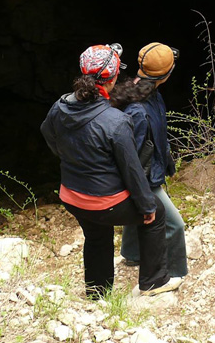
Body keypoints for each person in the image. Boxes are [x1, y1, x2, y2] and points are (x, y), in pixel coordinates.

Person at [40, 43, 183, 298]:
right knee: (156, 214)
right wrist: (147, 206)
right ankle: (154, 282)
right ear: (114, 77)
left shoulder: (60, 107)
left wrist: (74, 159)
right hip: (104, 202)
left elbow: (50, 136)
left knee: (97, 236)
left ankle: (97, 293)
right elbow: (132, 172)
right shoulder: (115, 121)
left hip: (72, 196)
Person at [110, 42, 188, 280]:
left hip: (147, 172)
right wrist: (141, 188)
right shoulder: (139, 111)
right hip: (142, 177)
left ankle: (132, 253)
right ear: (165, 75)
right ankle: (174, 273)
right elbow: (131, 157)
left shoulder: (144, 90)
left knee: (140, 210)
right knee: (175, 225)